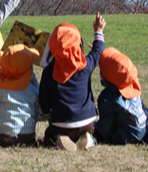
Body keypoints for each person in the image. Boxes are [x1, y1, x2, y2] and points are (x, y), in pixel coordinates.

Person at [39, 13, 106, 151]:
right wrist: (98, 30)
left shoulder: (49, 71)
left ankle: (58, 139)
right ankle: (89, 138)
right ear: (79, 44)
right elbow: (98, 51)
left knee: (49, 133)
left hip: (60, 124)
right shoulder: (85, 65)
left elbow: (43, 97)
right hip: (87, 122)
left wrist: (47, 113)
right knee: (96, 129)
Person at [94, 47, 148, 145]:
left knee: (95, 126)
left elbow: (105, 129)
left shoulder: (107, 98)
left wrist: (96, 131)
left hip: (130, 137)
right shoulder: (131, 85)